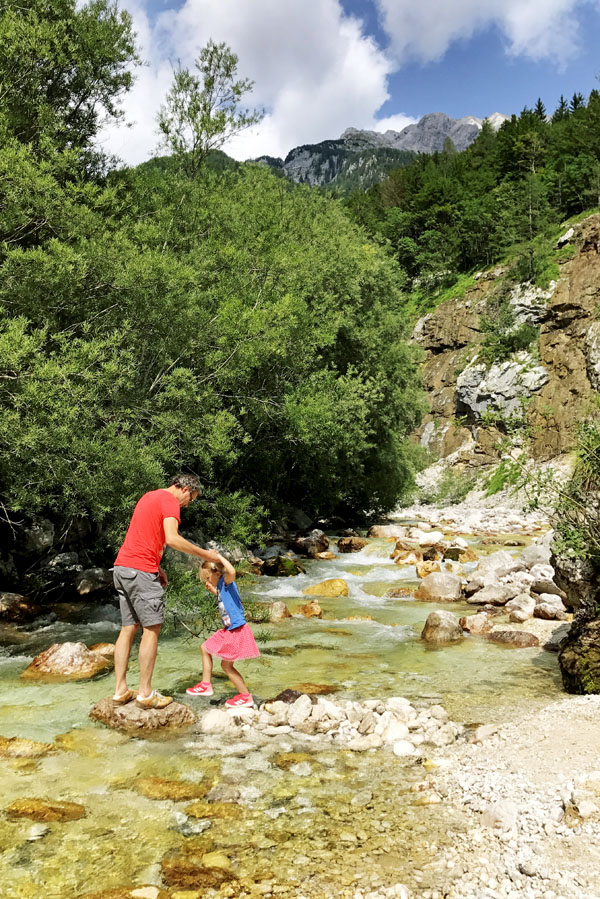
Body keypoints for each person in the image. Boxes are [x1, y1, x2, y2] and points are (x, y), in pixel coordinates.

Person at [111, 473, 220, 709]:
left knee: (127, 628)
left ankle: (120, 691)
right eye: (191, 498)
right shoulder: (171, 501)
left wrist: (157, 566)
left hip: (122, 568)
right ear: (185, 489)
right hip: (140, 570)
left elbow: (145, 535)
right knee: (151, 629)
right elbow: (172, 538)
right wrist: (205, 554)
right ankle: (146, 694)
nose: (188, 504)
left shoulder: (149, 496)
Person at [185, 554, 259, 708]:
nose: (206, 580)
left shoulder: (226, 581)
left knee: (217, 658)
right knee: (217, 658)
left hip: (236, 629)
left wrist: (218, 557)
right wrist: (213, 590)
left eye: (207, 577)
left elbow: (231, 571)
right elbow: (226, 600)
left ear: (217, 573)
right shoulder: (221, 586)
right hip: (231, 629)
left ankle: (240, 694)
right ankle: (239, 694)